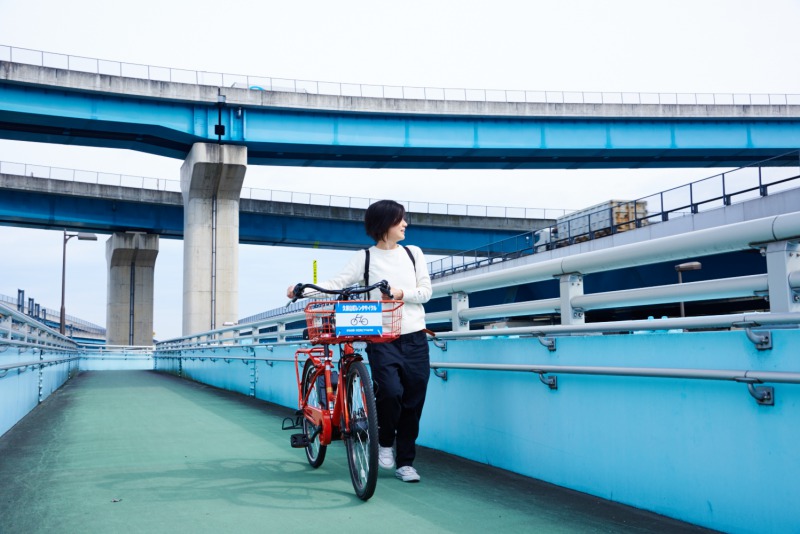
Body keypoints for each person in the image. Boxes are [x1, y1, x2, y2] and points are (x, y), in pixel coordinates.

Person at [286, 199, 432, 483]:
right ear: (384, 225)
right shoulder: (365, 258)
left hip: (415, 336)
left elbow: (425, 291)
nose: (405, 224)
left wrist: (400, 293)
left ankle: (406, 462)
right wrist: (301, 290)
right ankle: (385, 442)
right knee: (390, 392)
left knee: (414, 398)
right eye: (399, 220)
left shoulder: (414, 253)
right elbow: (336, 283)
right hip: (381, 337)